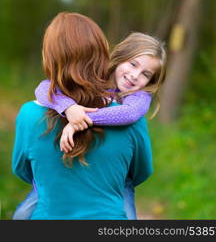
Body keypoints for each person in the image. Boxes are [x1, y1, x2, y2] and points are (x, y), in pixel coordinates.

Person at [12, 12, 154, 220]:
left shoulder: (29, 115)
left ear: (49, 58)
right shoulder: (129, 120)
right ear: (103, 56)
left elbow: (23, 171)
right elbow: (141, 172)